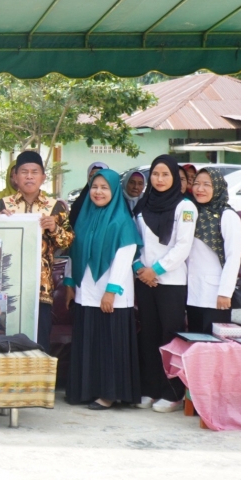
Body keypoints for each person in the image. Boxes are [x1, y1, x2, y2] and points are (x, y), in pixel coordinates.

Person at [62, 169, 143, 410]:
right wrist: (68, 283)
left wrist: (111, 290)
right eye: (95, 187)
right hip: (86, 289)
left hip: (112, 294)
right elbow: (73, 252)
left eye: (104, 188)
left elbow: (125, 256)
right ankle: (85, 389)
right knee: (89, 340)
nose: (98, 192)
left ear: (114, 191)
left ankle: (109, 394)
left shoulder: (122, 220)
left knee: (109, 342)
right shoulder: (84, 217)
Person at [0, 151, 73, 348]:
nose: (29, 176)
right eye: (24, 172)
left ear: (43, 177)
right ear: (15, 177)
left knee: (38, 342)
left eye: (35, 172)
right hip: (6, 285)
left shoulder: (55, 207)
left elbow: (68, 242)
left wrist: (55, 228)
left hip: (40, 288)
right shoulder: (2, 205)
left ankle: (38, 380)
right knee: (5, 341)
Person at [132, 155, 197, 413]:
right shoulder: (141, 205)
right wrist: (139, 267)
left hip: (170, 281)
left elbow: (183, 246)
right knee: (147, 334)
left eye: (165, 175)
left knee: (168, 337)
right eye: (155, 174)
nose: (159, 179)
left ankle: (172, 393)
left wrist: (155, 270)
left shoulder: (185, 207)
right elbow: (133, 240)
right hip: (144, 280)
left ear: (174, 178)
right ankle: (150, 388)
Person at [185, 169, 241, 335]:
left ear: (217, 187)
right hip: (192, 294)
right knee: (195, 341)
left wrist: (225, 292)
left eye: (206, 185)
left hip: (215, 295)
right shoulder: (191, 212)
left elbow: (233, 257)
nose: (200, 189)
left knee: (214, 344)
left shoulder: (227, 215)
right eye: (196, 183)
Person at [66, 162, 110, 232]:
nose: (94, 179)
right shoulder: (80, 201)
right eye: (91, 176)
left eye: (99, 175)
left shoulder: (112, 200)